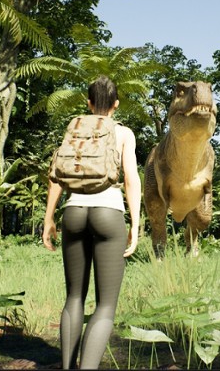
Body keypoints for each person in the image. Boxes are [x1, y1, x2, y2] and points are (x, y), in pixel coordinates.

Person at [42, 75, 141, 369]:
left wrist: (49, 218)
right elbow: (131, 179)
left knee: (73, 296)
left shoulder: (74, 130)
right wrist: (135, 225)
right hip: (108, 213)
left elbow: (56, 176)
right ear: (116, 104)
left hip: (74, 212)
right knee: (105, 305)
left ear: (88, 103)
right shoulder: (124, 133)